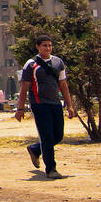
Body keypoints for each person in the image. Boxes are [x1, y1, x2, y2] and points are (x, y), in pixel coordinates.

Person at [15, 34, 79, 179]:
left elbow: (63, 84)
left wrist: (69, 105)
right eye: (44, 45)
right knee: (47, 136)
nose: (47, 48)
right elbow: (24, 88)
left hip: (56, 103)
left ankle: (35, 149)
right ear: (38, 47)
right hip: (39, 104)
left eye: (49, 45)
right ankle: (51, 169)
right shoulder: (31, 64)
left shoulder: (58, 62)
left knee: (58, 135)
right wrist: (20, 109)